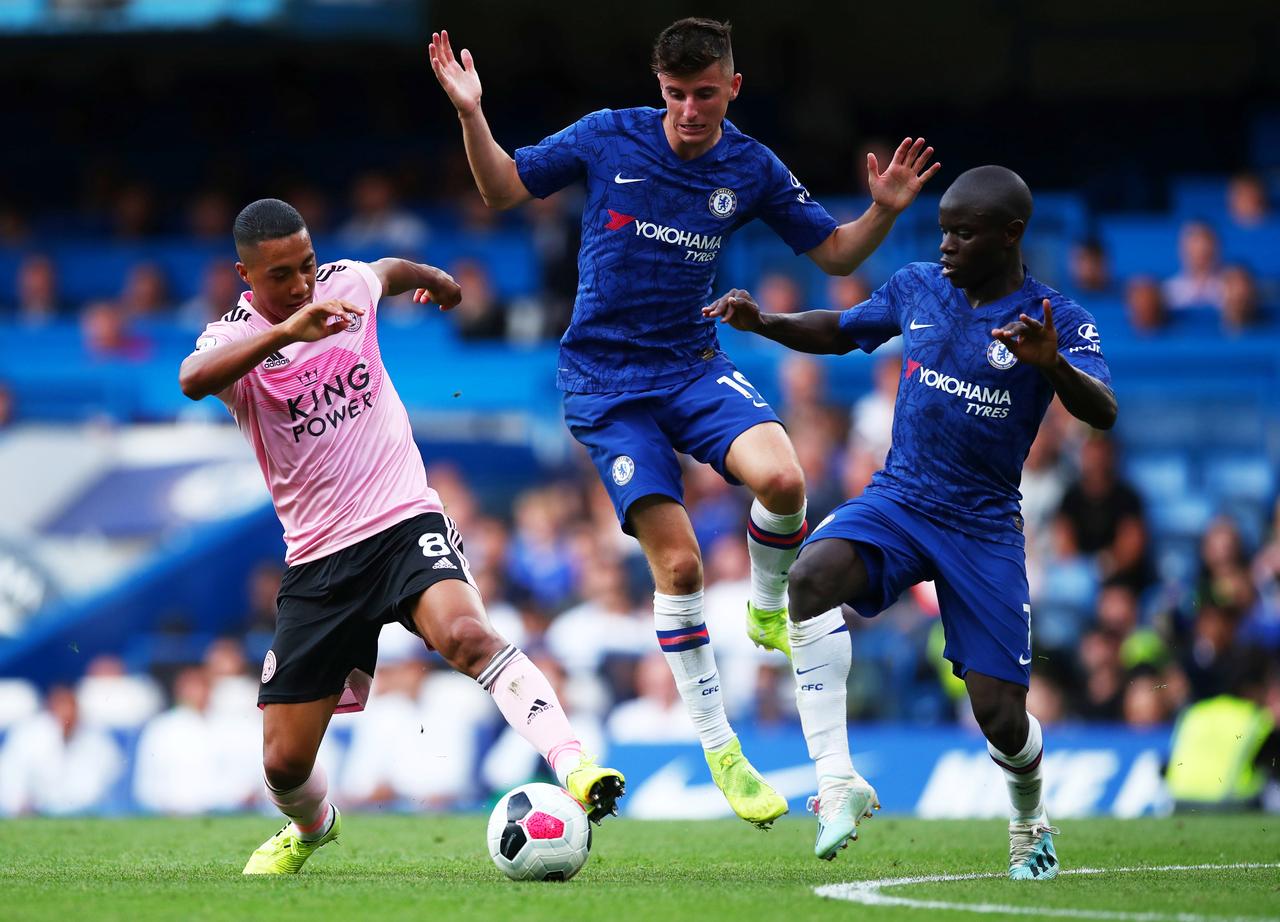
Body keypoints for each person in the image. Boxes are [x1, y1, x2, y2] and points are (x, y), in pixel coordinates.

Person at [429, 18, 938, 826]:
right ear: (657, 88)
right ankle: (721, 751)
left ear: (733, 87)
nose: (690, 110)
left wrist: (881, 213)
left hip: (691, 364)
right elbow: (499, 190)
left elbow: (836, 255)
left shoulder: (751, 165)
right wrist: (469, 111)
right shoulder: (608, 138)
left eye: (706, 94)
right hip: (605, 383)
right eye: (676, 95)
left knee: (783, 478)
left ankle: (770, 606)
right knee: (684, 571)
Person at [178, 198, 624, 875]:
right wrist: (287, 331)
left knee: (467, 636)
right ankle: (311, 829)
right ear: (246, 276)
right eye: (281, 276)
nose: (301, 285)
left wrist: (436, 279)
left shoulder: (344, 284)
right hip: (319, 561)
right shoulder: (232, 342)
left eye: (306, 265)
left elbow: (384, 269)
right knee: (284, 762)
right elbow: (191, 380)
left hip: (401, 521)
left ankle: (574, 764)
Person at [703, 165, 1117, 876]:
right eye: (943, 230)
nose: (947, 244)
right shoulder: (920, 286)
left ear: (1011, 235)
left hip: (982, 526)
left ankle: (1029, 821)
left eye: (963, 232)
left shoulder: (1056, 320)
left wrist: (1052, 367)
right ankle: (839, 781)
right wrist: (765, 321)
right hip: (900, 500)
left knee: (1000, 718)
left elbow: (1102, 410)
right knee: (809, 579)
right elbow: (840, 330)